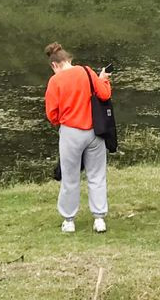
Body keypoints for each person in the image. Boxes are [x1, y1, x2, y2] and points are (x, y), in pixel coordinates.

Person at [44, 42, 111, 233]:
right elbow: (104, 95)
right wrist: (104, 79)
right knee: (97, 175)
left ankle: (69, 220)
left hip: (70, 132)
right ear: (69, 59)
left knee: (70, 177)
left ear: (54, 65)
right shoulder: (87, 71)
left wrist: (62, 122)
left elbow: (52, 114)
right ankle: (99, 219)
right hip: (94, 131)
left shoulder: (55, 81)